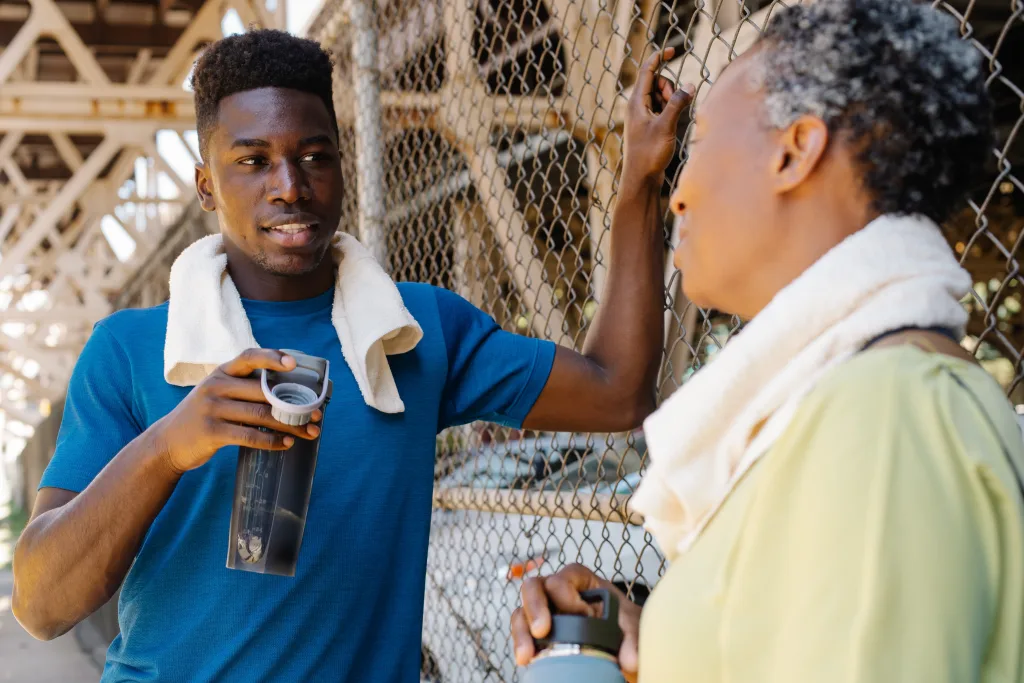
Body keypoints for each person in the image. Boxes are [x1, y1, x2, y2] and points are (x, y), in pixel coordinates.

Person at [10, 30, 693, 682]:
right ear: (205, 185)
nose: (289, 185)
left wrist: (637, 179)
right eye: (252, 160)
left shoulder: (414, 328)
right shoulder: (131, 349)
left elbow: (617, 389)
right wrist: (170, 445)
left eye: (314, 155)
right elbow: (42, 605)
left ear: (341, 162)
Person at [512, 1, 1024, 682]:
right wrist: (652, 639)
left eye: (695, 149)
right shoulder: (845, 409)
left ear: (794, 150)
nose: (677, 195)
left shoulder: (887, 417)